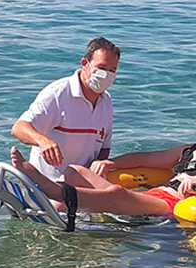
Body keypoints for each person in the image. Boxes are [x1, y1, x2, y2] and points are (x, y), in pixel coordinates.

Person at [10, 100, 196, 216]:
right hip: (154, 195)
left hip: (171, 206)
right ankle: (51, 209)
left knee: (116, 194)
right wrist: (113, 163)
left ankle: (49, 189)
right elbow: (146, 158)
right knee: (75, 171)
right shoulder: (190, 149)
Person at [12, 37, 120, 181]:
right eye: (101, 68)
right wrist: (43, 141)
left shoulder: (106, 102)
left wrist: (96, 167)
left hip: (83, 183)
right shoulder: (58, 94)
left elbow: (104, 147)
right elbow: (19, 128)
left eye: (112, 70)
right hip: (46, 184)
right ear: (84, 64)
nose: (106, 75)